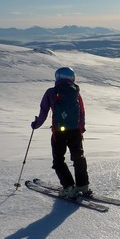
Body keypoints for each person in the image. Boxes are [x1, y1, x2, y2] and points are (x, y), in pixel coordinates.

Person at [31, 67, 91, 198]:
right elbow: (82, 112)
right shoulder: (76, 92)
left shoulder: (51, 92)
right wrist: (82, 128)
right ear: (72, 77)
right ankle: (83, 185)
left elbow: (43, 112)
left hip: (59, 132)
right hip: (75, 131)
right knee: (78, 157)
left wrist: (36, 125)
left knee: (58, 160)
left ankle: (69, 188)